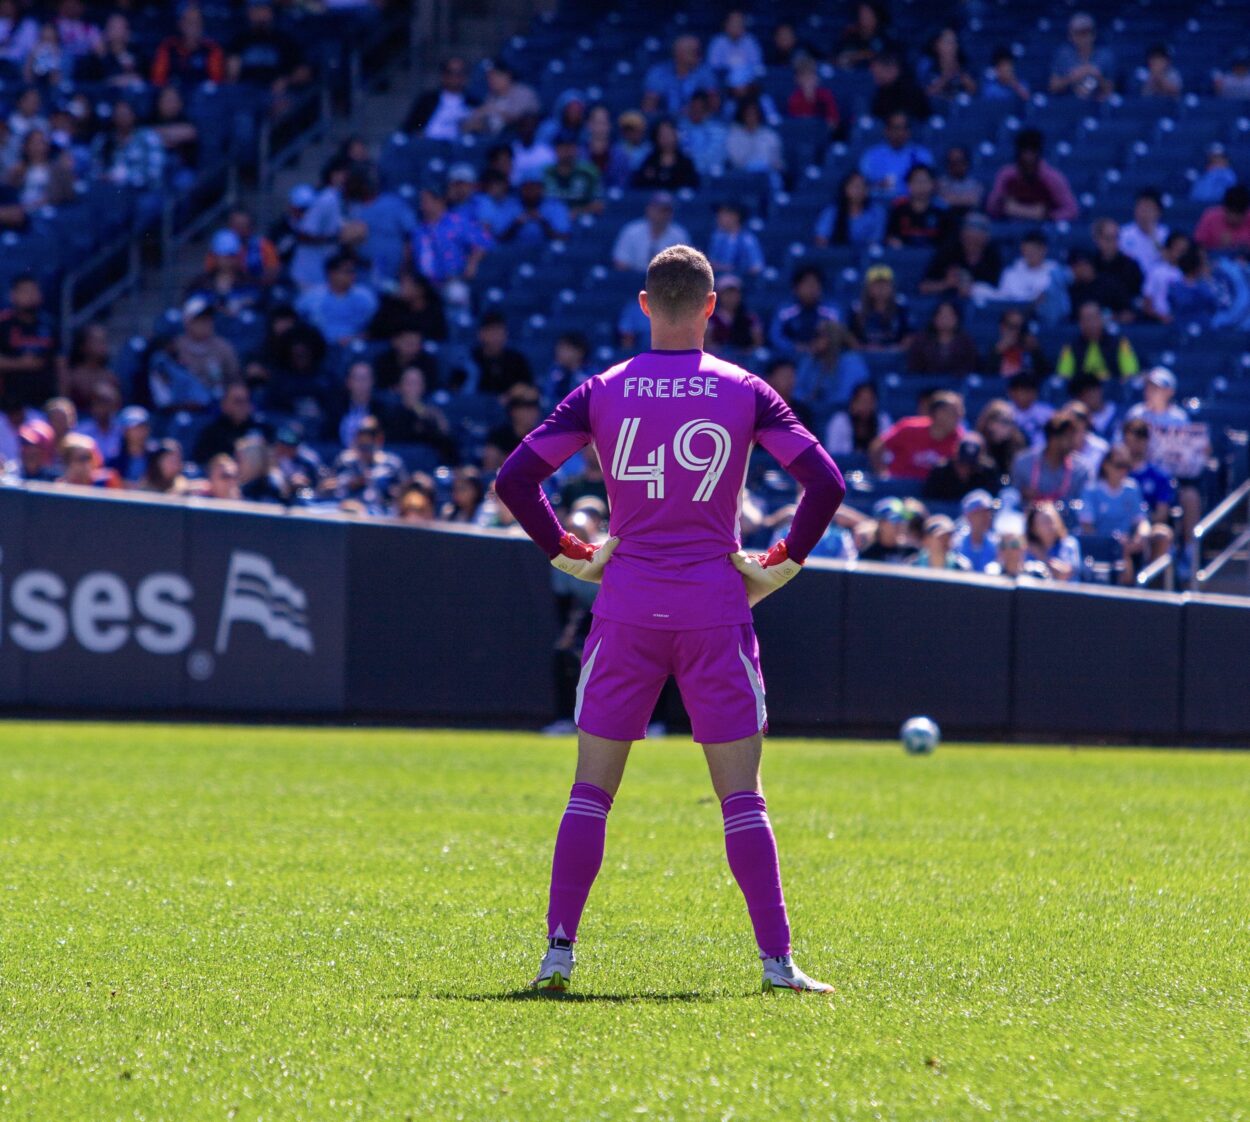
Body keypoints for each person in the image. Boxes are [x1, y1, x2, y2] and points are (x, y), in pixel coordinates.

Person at [493, 244, 846, 994]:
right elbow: (825, 482)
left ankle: (559, 953)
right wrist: (780, 560)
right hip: (717, 609)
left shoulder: (601, 389)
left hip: (624, 608)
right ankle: (777, 963)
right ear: (713, 306)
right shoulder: (746, 391)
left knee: (591, 792)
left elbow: (516, 478)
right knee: (742, 799)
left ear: (646, 303)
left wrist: (569, 551)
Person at [985, 129, 1078, 223]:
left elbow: (1071, 210)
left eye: (1032, 151)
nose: (1028, 156)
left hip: (1043, 229)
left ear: (1039, 152)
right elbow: (991, 207)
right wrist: (1005, 207)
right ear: (1018, 152)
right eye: (1024, 151)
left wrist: (1048, 215)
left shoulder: (1052, 177)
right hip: (1011, 228)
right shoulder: (1006, 175)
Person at [870, 391, 964, 480]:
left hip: (931, 491)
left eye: (960, 412)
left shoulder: (959, 439)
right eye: (954, 412)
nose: (959, 416)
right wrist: (881, 472)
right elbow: (878, 445)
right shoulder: (909, 428)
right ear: (938, 413)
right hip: (899, 487)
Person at [0, 273, 60, 410]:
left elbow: (60, 363)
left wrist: (63, 397)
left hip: (44, 404)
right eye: (25, 291)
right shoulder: (3, 324)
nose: (30, 296)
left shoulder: (50, 325)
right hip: (8, 406)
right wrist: (21, 363)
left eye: (34, 291)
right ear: (12, 295)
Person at [920, 211, 1002, 298]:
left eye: (976, 241)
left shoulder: (993, 256)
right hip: (949, 305)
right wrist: (946, 284)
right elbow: (923, 287)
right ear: (962, 235)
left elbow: (1001, 293)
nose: (972, 243)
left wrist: (973, 289)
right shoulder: (948, 251)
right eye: (968, 239)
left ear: (986, 239)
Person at [1010, 414, 1088, 504]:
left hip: (1065, 517)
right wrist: (1022, 495)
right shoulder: (1023, 462)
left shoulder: (1081, 469)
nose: (1073, 442)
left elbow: (1082, 506)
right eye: (1068, 437)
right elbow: (1013, 497)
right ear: (1053, 439)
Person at [1055, 302, 1140, 382]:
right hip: (1082, 392)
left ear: (1101, 319)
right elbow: (1063, 376)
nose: (1091, 323)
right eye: (1087, 319)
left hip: (1112, 392)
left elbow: (1130, 373)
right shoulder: (1071, 346)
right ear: (1080, 323)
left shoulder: (1120, 343)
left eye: (1094, 318)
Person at [858, 112, 932, 201]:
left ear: (909, 132)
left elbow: (930, 184)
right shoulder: (871, 155)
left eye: (904, 128)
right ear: (886, 131)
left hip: (912, 204)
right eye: (896, 128)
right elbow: (861, 185)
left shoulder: (922, 155)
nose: (900, 132)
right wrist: (876, 186)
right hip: (879, 204)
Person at [192, 380, 269, 464]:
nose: (242, 406)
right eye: (237, 401)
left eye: (246, 401)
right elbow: (203, 463)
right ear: (224, 404)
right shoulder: (211, 432)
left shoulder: (262, 429)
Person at [612, 192, 690, 273]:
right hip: (633, 279)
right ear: (649, 209)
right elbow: (620, 262)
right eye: (660, 210)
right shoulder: (631, 231)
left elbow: (685, 265)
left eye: (667, 211)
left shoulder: (679, 235)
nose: (663, 214)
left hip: (667, 281)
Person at [642, 35, 718, 117]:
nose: (698, 56)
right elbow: (649, 107)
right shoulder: (658, 73)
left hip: (697, 122)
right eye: (693, 52)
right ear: (678, 52)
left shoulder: (705, 73)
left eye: (698, 52)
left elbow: (714, 104)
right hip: (666, 123)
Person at [151, 5, 224, 89]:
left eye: (196, 23)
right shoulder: (167, 47)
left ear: (202, 25)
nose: (192, 27)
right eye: (188, 22)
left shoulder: (212, 49)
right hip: (174, 95)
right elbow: (158, 80)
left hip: (202, 98)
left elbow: (217, 82)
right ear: (180, 24)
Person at [405, 57, 478, 140]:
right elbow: (411, 126)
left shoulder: (473, 102)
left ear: (465, 77)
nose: (454, 77)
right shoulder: (428, 100)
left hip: (458, 147)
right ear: (443, 75)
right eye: (450, 72)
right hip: (428, 144)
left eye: (459, 73)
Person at [462, 60, 540, 135]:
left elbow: (519, 120)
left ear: (507, 75)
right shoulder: (492, 96)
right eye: (489, 77)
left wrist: (492, 110)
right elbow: (478, 118)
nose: (491, 80)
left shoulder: (523, 92)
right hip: (495, 140)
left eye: (495, 76)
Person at [1049, 11, 1115, 100]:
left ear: (1094, 34)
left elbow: (1112, 89)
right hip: (1069, 103)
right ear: (1070, 35)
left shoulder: (1105, 55)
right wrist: (1072, 77)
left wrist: (1098, 77)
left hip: (1097, 103)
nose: (1083, 37)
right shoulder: (1063, 54)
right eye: (1078, 33)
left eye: (1087, 32)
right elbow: (1053, 87)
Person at [1122, 416, 1175, 524]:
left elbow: (1161, 513)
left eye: (1138, 440)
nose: (1133, 445)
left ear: (1146, 441)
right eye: (1129, 441)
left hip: (1148, 526)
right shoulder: (1115, 470)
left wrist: (1140, 525)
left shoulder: (1159, 475)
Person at [467, 310, 533, 396]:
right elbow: (456, 391)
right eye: (491, 332)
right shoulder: (470, 359)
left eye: (499, 332)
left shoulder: (517, 360)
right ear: (481, 334)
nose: (496, 337)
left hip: (511, 406)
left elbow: (530, 388)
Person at [847, 264, 911, 351]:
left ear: (892, 287)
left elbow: (910, 335)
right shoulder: (857, 309)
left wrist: (897, 348)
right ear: (868, 288)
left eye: (885, 285)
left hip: (895, 354)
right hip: (865, 354)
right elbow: (849, 336)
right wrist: (863, 348)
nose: (881, 289)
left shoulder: (901, 307)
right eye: (876, 285)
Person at [814, 170, 885, 248]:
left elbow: (875, 241)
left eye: (863, 187)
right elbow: (821, 238)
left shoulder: (876, 212)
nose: (859, 191)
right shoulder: (833, 211)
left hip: (865, 256)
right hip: (836, 255)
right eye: (855, 187)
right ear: (846, 189)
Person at [907, 301, 978, 376]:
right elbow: (914, 369)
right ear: (934, 318)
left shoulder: (966, 342)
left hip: (958, 385)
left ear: (957, 319)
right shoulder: (921, 341)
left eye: (949, 315)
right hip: (927, 385)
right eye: (941, 315)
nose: (945, 319)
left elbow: (971, 367)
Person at [884, 163, 947, 248]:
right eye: (917, 181)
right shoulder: (898, 210)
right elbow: (889, 236)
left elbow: (948, 240)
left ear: (933, 184)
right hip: (904, 257)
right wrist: (892, 241)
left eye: (925, 181)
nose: (921, 186)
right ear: (908, 185)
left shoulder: (942, 212)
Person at [544, 131, 602, 218]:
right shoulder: (546, 173)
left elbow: (599, 205)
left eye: (570, 147)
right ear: (555, 150)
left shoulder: (589, 172)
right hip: (551, 220)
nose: (566, 151)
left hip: (581, 220)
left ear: (576, 149)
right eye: (562, 147)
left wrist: (578, 211)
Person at [824, 380, 890, 456]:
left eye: (870, 401)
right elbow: (832, 453)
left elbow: (888, 454)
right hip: (845, 466)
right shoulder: (839, 420)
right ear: (853, 402)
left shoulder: (883, 420)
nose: (866, 405)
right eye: (863, 401)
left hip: (874, 466)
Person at [725, 98, 784, 177]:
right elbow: (735, 161)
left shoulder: (770, 135)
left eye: (754, 113)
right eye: (748, 114)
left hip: (768, 175)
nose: (751, 117)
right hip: (742, 176)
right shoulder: (734, 136)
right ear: (742, 115)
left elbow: (777, 160)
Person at [704, 274, 763, 353]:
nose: (731, 297)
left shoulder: (750, 318)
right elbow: (708, 343)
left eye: (734, 294)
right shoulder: (710, 318)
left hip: (745, 357)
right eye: (727, 294)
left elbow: (757, 343)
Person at [1026, 501, 1082, 581]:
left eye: (1051, 521)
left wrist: (1042, 557)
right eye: (1044, 522)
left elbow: (1067, 573)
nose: (1050, 526)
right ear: (1034, 528)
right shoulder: (1027, 548)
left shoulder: (1069, 544)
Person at [679, 91, 729, 178]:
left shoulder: (719, 130)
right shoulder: (681, 128)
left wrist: (697, 165)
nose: (696, 111)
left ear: (707, 110)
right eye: (693, 108)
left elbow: (716, 155)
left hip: (711, 173)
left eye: (700, 108)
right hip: (687, 172)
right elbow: (681, 151)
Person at [918, 26, 976, 101]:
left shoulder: (965, 64)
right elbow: (926, 95)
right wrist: (946, 77)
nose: (952, 46)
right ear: (936, 45)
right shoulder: (927, 66)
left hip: (961, 109)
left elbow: (975, 91)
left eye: (954, 42)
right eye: (947, 41)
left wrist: (960, 72)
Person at [1118, 189, 1169, 275]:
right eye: (1141, 207)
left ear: (1159, 212)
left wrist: (1154, 237)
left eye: (1149, 208)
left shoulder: (1165, 234)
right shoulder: (1123, 233)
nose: (1144, 212)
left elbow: (1169, 262)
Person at [707, 202, 764, 277]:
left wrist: (735, 270)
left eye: (723, 214)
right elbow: (712, 262)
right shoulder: (717, 237)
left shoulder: (747, 240)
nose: (719, 218)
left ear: (735, 217)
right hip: (718, 280)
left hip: (741, 281)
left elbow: (757, 267)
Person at [868, 52, 930, 122]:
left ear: (893, 69)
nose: (875, 79)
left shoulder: (912, 92)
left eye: (878, 74)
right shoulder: (881, 92)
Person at [787, 54, 841, 133]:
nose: (808, 80)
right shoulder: (794, 98)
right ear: (797, 79)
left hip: (825, 135)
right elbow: (795, 125)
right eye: (804, 76)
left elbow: (833, 123)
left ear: (817, 78)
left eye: (811, 75)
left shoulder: (826, 95)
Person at [976, 399, 1027, 477]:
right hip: (979, 485)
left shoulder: (1016, 446)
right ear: (990, 423)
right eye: (1005, 422)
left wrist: (1002, 484)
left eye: (1011, 423)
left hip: (1003, 484)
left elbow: (1007, 477)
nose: (1009, 427)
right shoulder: (977, 442)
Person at [1193, 184, 1250, 252]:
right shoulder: (1210, 217)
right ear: (1224, 208)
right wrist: (1220, 247)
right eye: (1231, 212)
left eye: (1238, 214)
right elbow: (1197, 246)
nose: (1234, 218)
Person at [952, 489, 997, 572]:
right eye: (979, 513)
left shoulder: (997, 545)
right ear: (968, 516)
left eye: (987, 513)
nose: (985, 517)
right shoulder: (955, 545)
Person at [936, 145, 984, 215]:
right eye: (953, 162)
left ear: (967, 163)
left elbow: (975, 201)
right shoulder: (939, 183)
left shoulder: (976, 184)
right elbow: (941, 201)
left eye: (960, 161)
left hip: (969, 218)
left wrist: (952, 200)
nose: (956, 166)